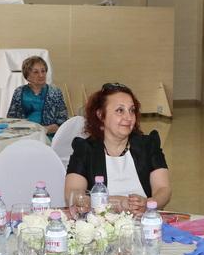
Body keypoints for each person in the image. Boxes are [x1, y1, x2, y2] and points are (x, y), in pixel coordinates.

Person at [65, 83, 170, 216]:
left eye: (132, 110)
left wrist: (148, 204)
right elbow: (72, 193)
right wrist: (114, 203)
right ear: (101, 115)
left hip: (144, 221)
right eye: (120, 110)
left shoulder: (148, 144)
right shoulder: (85, 149)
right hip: (101, 224)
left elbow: (163, 189)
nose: (129, 117)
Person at [6, 55, 68, 135]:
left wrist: (48, 129)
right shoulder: (19, 92)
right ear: (27, 75)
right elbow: (11, 118)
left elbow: (63, 119)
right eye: (36, 72)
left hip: (48, 135)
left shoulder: (55, 92)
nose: (41, 75)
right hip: (24, 135)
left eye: (43, 71)